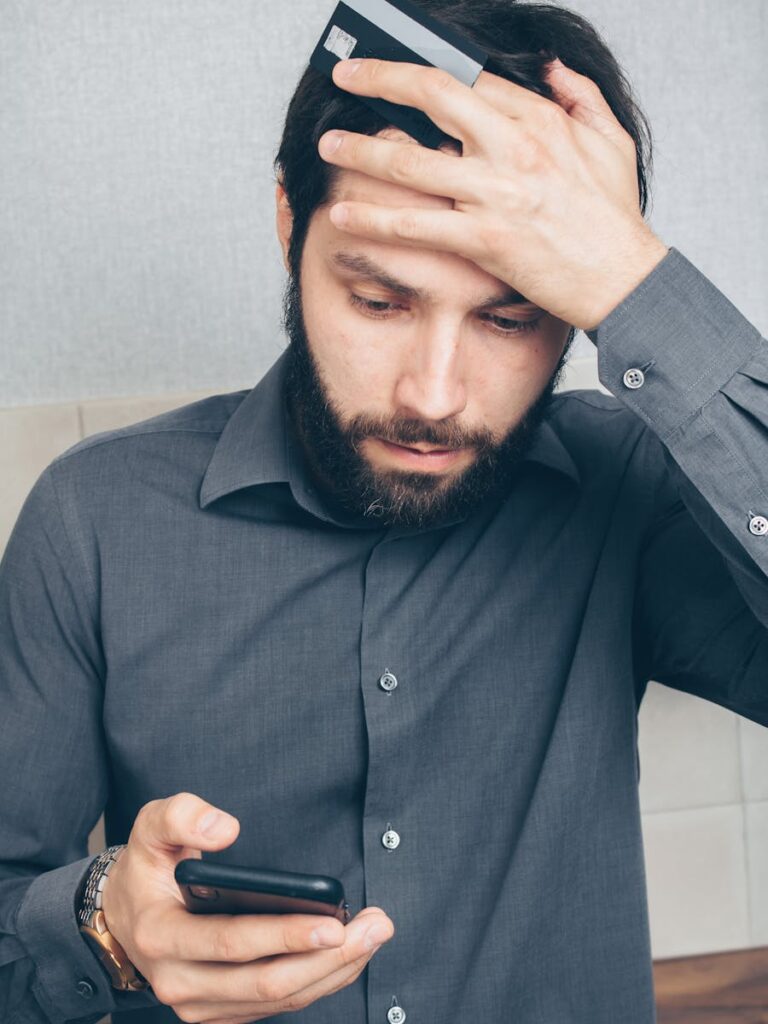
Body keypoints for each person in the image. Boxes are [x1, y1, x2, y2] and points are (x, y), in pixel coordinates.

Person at [1, 1, 766, 1022]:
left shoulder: (626, 485)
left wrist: (642, 285)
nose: (433, 394)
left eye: (510, 317)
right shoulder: (90, 520)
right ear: (288, 224)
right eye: (379, 301)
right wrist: (102, 921)